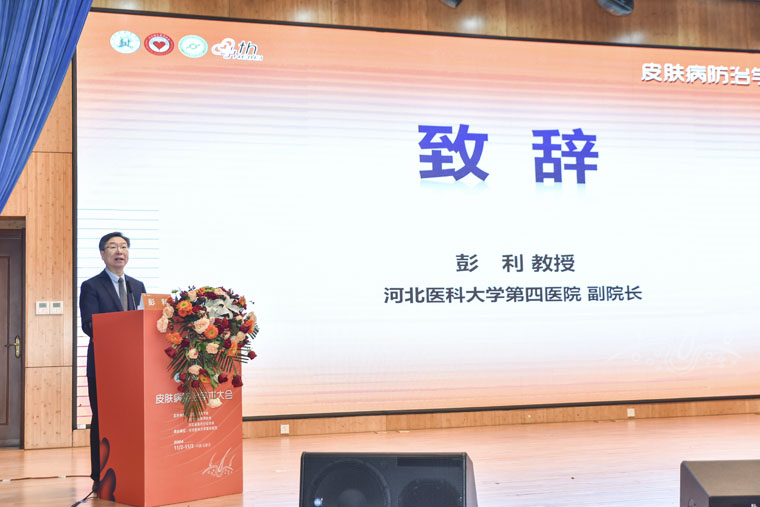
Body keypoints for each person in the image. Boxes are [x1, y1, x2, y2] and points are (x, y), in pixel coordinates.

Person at [79, 232, 146, 493]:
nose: (120, 251)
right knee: (103, 420)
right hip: (103, 366)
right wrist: (124, 327)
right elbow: (89, 325)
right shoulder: (91, 286)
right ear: (102, 254)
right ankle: (100, 475)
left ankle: (129, 468)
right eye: (113, 247)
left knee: (131, 419)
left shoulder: (138, 286)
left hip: (133, 366)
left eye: (124, 246)